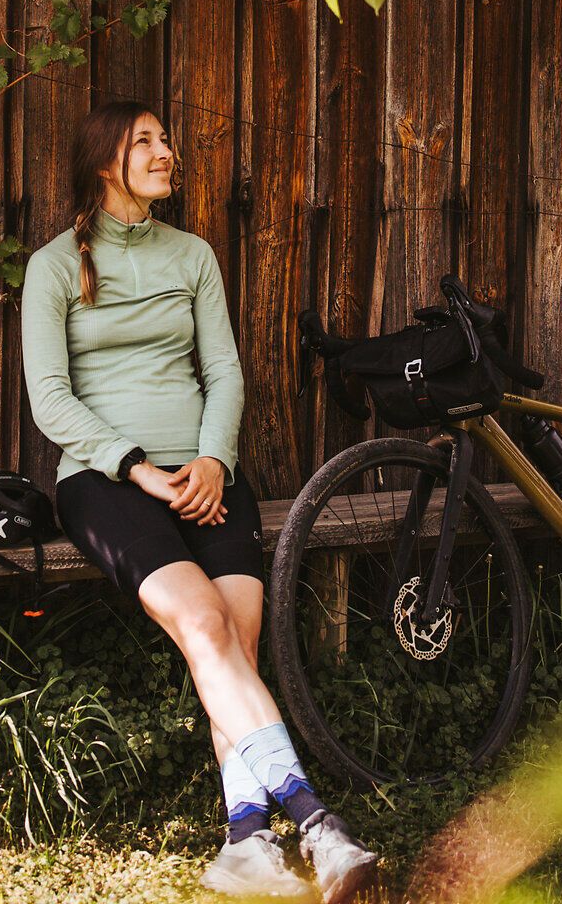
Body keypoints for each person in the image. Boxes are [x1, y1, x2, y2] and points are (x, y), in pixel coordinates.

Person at [20, 100, 380, 904]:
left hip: (208, 476)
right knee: (206, 626)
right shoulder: (53, 267)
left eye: (165, 139)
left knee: (235, 642)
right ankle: (316, 824)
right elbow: (50, 399)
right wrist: (139, 468)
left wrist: (215, 459)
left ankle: (246, 845)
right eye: (144, 142)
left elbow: (224, 372)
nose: (165, 152)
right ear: (106, 161)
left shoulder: (193, 256)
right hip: (106, 485)